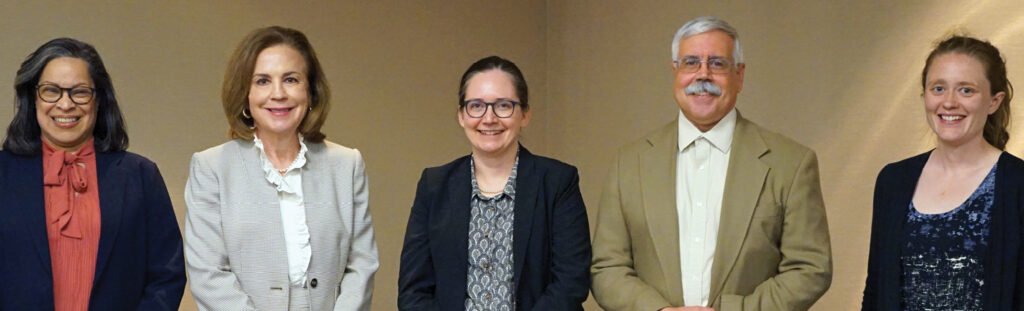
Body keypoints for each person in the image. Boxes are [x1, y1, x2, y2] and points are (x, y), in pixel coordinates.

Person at [590, 16, 832, 311]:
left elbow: (810, 269)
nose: (702, 75)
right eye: (691, 62)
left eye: (717, 63)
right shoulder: (628, 163)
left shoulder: (791, 163)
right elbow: (607, 269)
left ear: (739, 76)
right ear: (675, 72)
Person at [184, 26, 378, 311]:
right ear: (245, 94)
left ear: (310, 91)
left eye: (291, 79)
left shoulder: (347, 164)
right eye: (262, 81)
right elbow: (208, 275)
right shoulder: (211, 168)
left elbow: (361, 265)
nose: (278, 94)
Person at [0, 38, 185, 310]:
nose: (65, 104)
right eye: (51, 91)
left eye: (80, 92)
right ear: (33, 98)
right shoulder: (4, 172)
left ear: (98, 100)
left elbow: (166, 275)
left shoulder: (141, 176)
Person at [397, 56, 591, 310]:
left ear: (525, 115)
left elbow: (571, 281)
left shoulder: (557, 182)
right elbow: (413, 292)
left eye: (503, 105)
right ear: (461, 116)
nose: (489, 118)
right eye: (476, 106)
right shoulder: (434, 186)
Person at [862, 35, 1024, 310]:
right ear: (924, 95)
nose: (949, 102)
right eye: (938, 88)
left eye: (966, 90)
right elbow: (876, 289)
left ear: (994, 101)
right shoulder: (893, 180)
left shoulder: (1018, 184)